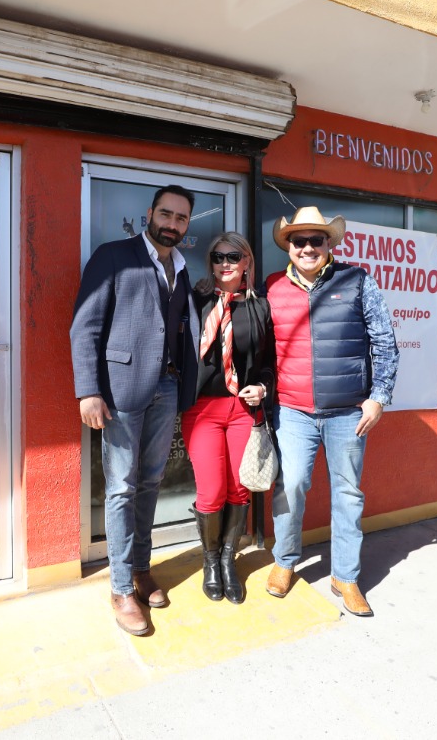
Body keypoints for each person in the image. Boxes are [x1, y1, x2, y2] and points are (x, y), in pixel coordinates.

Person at [70, 184, 199, 636]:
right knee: (122, 488)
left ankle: (142, 569)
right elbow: (84, 326)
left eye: (181, 218)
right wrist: (88, 390)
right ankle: (121, 587)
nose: (172, 224)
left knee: (150, 483)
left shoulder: (181, 267)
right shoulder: (113, 256)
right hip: (121, 390)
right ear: (150, 213)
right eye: (166, 214)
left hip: (167, 386)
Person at [263, 206, 398, 617]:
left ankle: (346, 576)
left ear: (328, 244)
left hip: (347, 413)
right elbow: (260, 347)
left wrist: (379, 396)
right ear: (288, 246)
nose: (307, 247)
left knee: (348, 493)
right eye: (298, 240)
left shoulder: (357, 281)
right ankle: (285, 561)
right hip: (293, 411)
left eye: (315, 240)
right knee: (291, 485)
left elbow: (385, 340)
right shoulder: (272, 287)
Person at [182, 232, 275, 605]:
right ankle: (210, 561)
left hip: (241, 410)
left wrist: (263, 387)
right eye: (218, 256)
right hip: (202, 408)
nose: (225, 263)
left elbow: (268, 362)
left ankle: (226, 560)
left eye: (233, 256)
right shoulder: (196, 300)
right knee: (211, 490)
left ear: (247, 262)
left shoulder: (259, 307)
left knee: (240, 488)